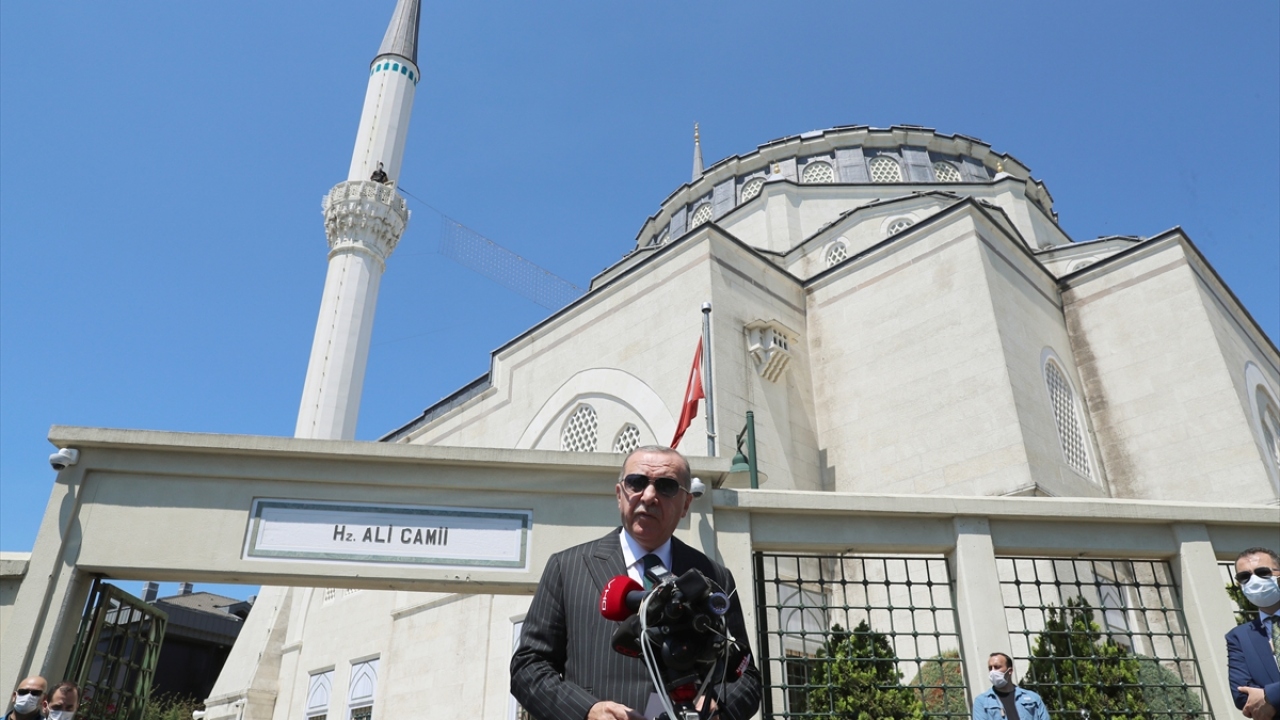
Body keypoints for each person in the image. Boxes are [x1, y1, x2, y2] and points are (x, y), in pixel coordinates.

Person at [511, 446, 762, 720]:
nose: (650, 495)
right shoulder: (567, 567)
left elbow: (745, 674)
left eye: (666, 486)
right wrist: (586, 711)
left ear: (686, 504)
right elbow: (528, 667)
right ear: (620, 495)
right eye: (637, 482)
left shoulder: (713, 577)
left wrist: (717, 708)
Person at [1227, 547, 1280, 719]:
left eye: (1262, 572)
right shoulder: (1239, 637)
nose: (1254, 580)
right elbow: (1242, 696)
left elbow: (1262, 698)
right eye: (1244, 577)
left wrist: (1270, 696)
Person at [971, 653, 1049, 720]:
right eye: (990, 668)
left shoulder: (1033, 698)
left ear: (1010, 671)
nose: (993, 671)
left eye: (997, 667)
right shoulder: (982, 701)